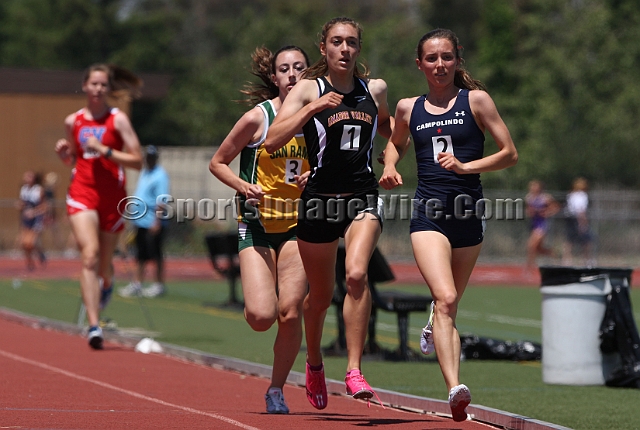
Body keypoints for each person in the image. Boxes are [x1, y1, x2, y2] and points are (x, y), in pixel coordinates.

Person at [379, 28, 518, 421]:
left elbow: (509, 153)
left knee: (449, 306)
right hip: (428, 215)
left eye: (446, 57)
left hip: (469, 215)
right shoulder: (409, 107)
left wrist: (466, 166)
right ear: (419, 63)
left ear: (457, 59)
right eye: (431, 58)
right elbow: (396, 142)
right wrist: (389, 164)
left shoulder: (476, 101)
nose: (439, 65)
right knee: (446, 299)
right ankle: (455, 389)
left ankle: (436, 327)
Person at [265, 17, 393, 409]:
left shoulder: (375, 89)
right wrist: (314, 106)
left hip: (362, 196)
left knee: (356, 274)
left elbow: (391, 130)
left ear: (358, 48)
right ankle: (315, 362)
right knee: (318, 298)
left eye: (351, 42)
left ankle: (354, 369)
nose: (344, 49)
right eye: (337, 42)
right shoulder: (307, 88)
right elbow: (272, 141)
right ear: (324, 48)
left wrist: (391, 161)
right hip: (318, 200)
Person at [209, 45, 311, 414]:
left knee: (290, 311)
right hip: (256, 224)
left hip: (299, 226)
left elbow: (333, 164)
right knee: (261, 317)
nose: (292, 74)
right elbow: (218, 162)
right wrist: (243, 186)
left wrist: (312, 176)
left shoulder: (316, 120)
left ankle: (276, 389)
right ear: (274, 77)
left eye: (299, 67)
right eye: (284, 69)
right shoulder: (259, 117)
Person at [55, 63, 143, 350]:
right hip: (82, 193)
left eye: (103, 85)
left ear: (108, 88)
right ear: (85, 86)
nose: (98, 89)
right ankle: (94, 325)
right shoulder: (73, 121)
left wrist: (105, 149)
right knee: (89, 256)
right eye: (93, 84)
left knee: (104, 265)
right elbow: (76, 158)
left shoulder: (117, 120)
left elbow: (137, 160)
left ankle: (106, 283)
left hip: (112, 197)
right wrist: (66, 154)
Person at [118, 145, 170, 299]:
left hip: (152, 221)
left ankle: (158, 284)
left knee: (155, 253)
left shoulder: (160, 175)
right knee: (140, 254)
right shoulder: (144, 172)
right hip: (140, 220)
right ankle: (138, 283)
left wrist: (157, 221)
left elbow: (162, 199)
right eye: (147, 157)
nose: (149, 159)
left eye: (151, 157)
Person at [525, 180, 559, 272]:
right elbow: (528, 210)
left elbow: (556, 207)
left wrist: (546, 213)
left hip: (543, 224)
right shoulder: (529, 197)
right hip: (534, 224)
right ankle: (553, 255)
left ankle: (529, 269)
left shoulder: (545, 198)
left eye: (535, 186)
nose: (533, 188)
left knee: (531, 245)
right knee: (538, 248)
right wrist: (530, 212)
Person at [17, 171, 47, 271]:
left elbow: (44, 207)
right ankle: (30, 262)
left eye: (29, 176)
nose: (27, 178)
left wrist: (33, 212)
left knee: (30, 243)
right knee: (23, 243)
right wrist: (20, 205)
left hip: (36, 219)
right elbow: (23, 203)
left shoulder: (38, 190)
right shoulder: (23, 189)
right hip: (26, 220)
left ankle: (39, 253)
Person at [562, 177, 594, 266]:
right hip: (578, 219)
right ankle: (587, 260)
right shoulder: (582, 195)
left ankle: (567, 260)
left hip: (570, 218)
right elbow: (581, 210)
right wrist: (583, 222)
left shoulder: (571, 195)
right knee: (586, 240)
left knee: (569, 240)